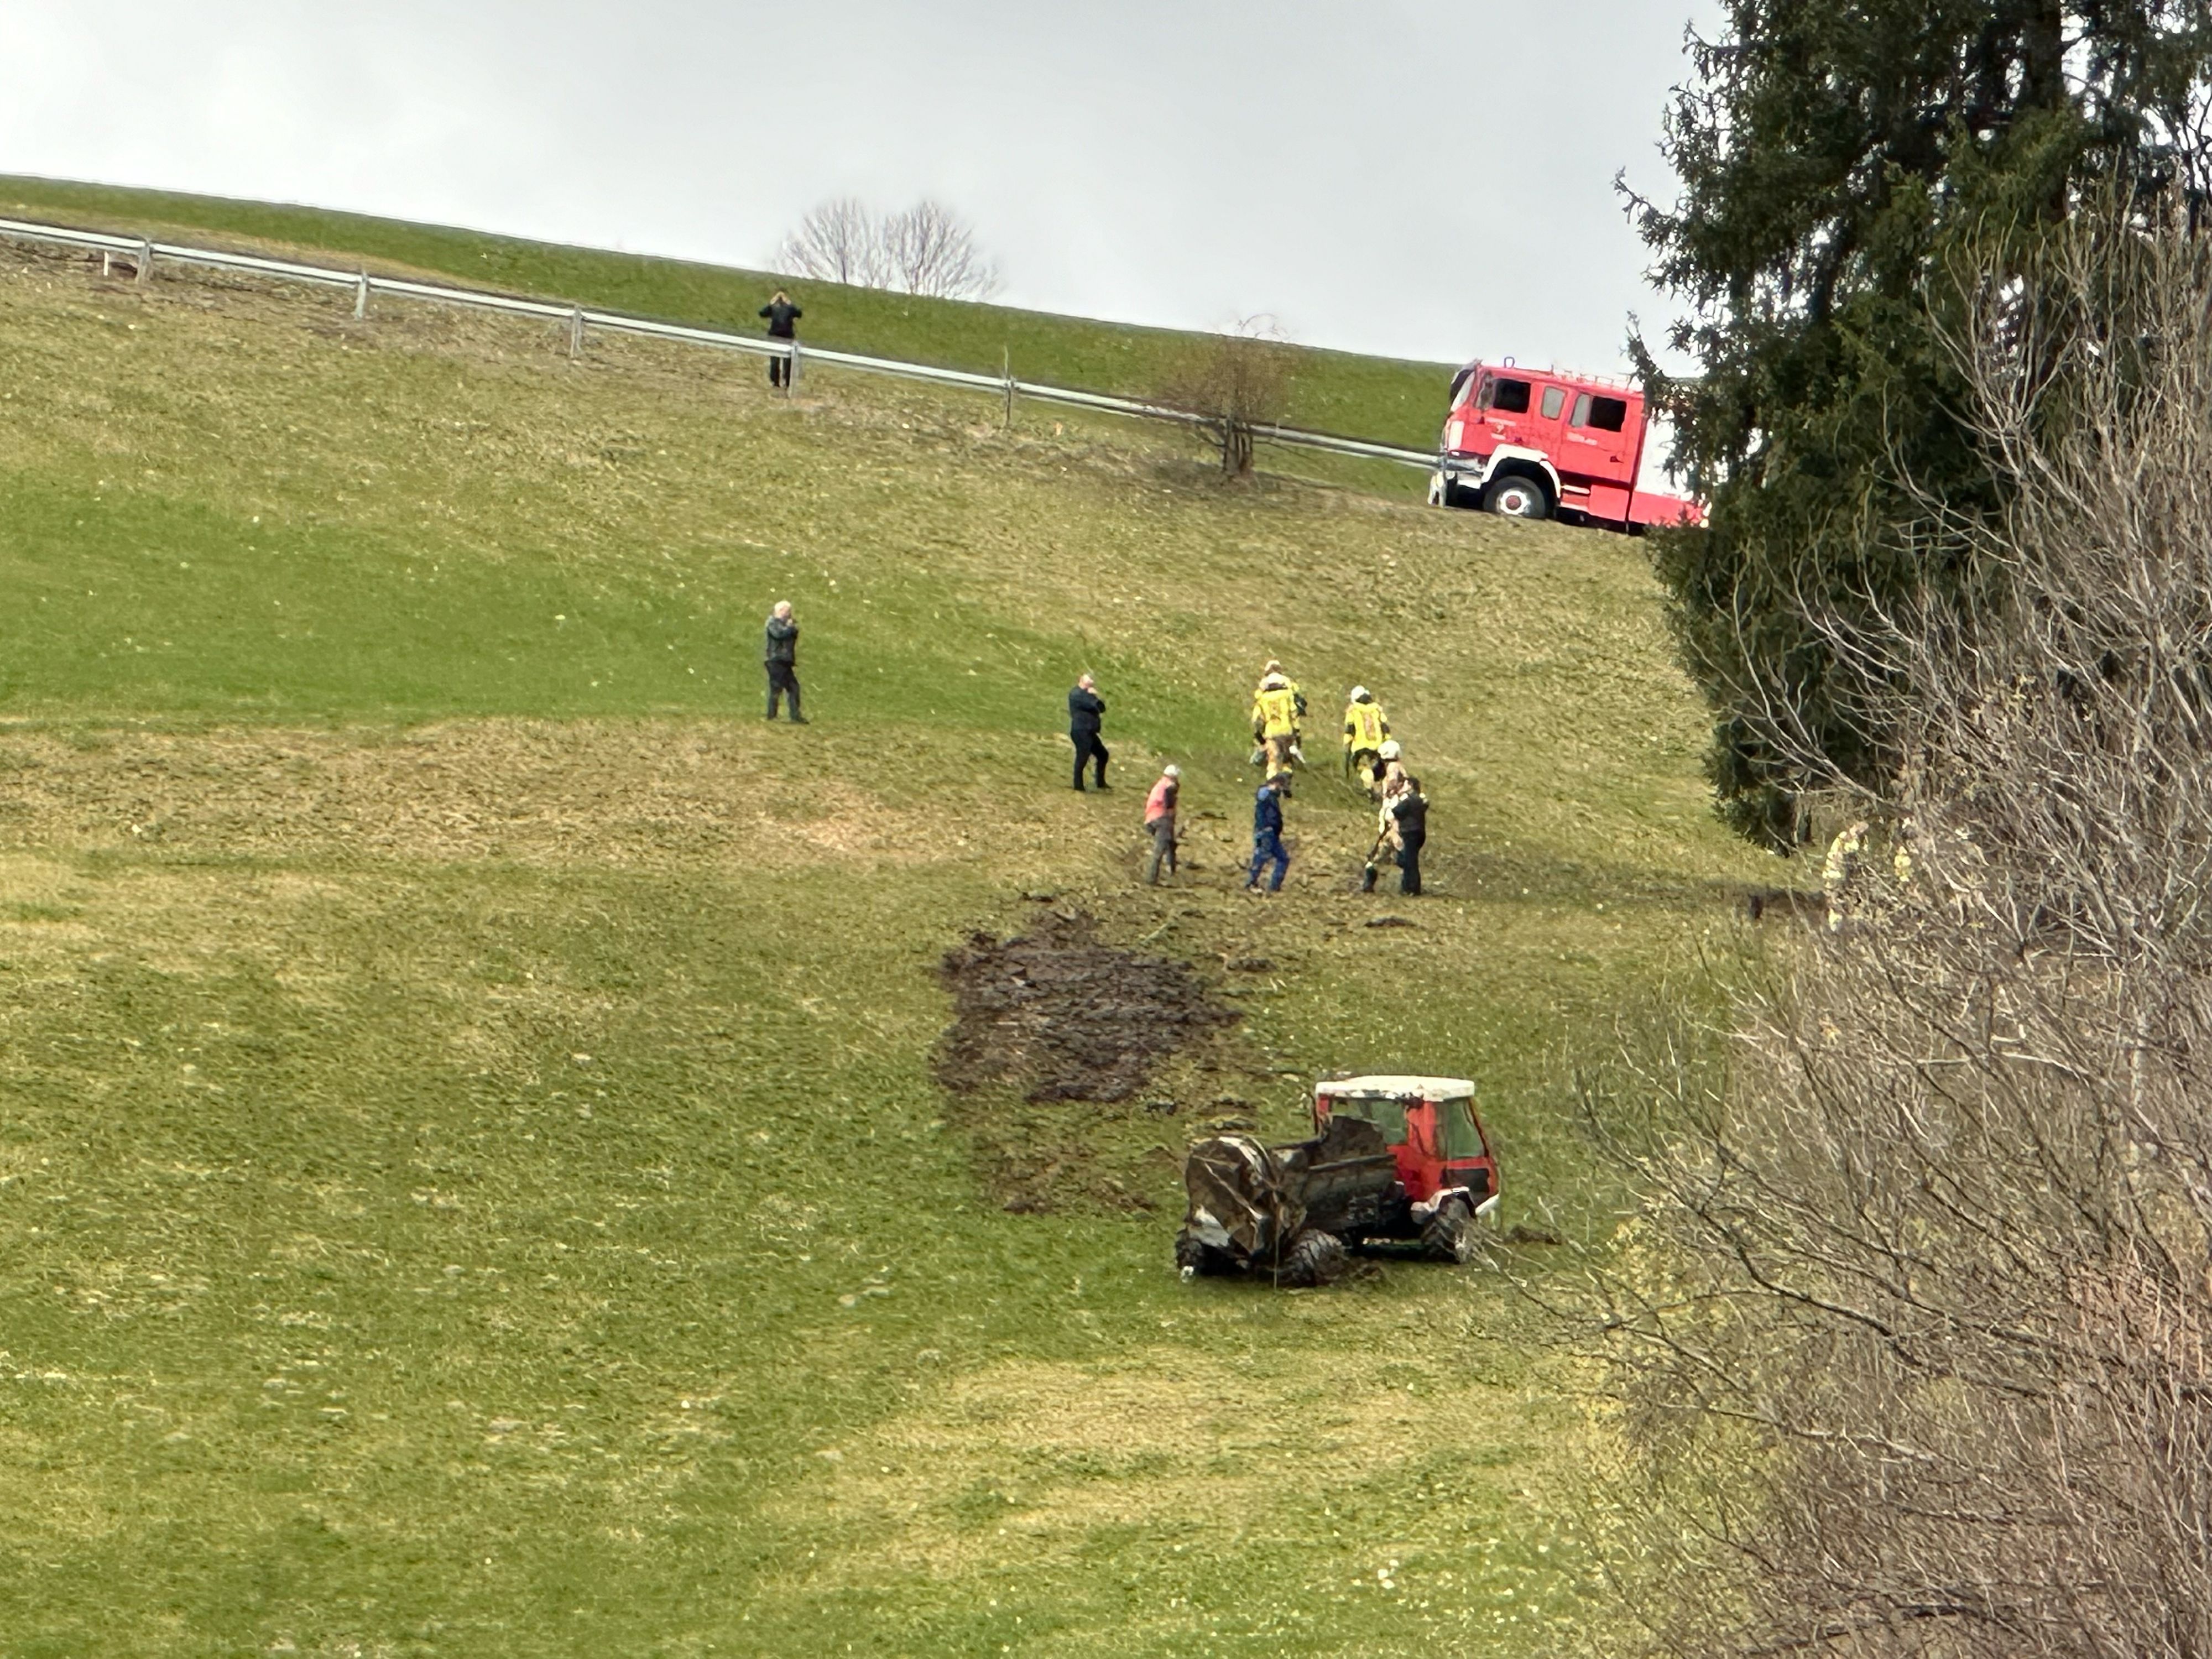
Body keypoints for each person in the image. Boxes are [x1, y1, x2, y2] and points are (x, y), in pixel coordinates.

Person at [1250, 662, 1303, 788]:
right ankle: (1286, 780)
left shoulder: (1263, 698)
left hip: (1272, 732)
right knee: (1286, 758)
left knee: (1273, 760)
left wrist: (1259, 735)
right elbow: (1294, 713)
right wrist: (1297, 731)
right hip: (1287, 731)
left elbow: (1257, 719)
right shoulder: (1287, 695)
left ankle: (1272, 786)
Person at [1246, 774, 1290, 893]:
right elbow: (1263, 796)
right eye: (1281, 787)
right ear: (1276, 784)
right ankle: (1251, 883)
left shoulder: (1271, 797)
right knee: (1260, 857)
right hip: (1265, 832)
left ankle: (1274, 887)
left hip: (1272, 835)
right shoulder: (1265, 794)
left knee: (1283, 858)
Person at [763, 601, 805, 722]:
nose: (790, 614)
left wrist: (791, 628)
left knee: (793, 688)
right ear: (781, 611)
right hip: (776, 660)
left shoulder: (786, 624)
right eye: (788, 611)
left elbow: (793, 636)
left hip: (784, 661)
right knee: (777, 688)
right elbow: (778, 634)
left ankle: (795, 716)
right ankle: (772, 715)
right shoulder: (772, 623)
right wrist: (790, 627)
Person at [1343, 686, 1390, 786]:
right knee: (1378, 771)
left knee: (1365, 770)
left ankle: (1370, 792)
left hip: (1360, 747)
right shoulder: (1377, 709)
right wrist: (1387, 742)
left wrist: (1347, 744)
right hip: (1378, 748)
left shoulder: (1353, 710)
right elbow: (1385, 728)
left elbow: (1350, 730)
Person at [1068, 673, 1108, 791]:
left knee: (1103, 755)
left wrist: (1094, 696)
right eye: (1089, 679)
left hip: (1090, 732)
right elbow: (1092, 705)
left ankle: (1100, 782)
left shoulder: (1088, 695)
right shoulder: (1076, 694)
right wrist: (1093, 696)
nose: (1091, 681)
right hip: (1081, 731)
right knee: (1083, 757)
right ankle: (1078, 785)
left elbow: (1101, 708)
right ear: (1081, 680)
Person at [1390, 774, 1428, 895]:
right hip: (1419, 832)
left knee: (1409, 862)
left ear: (1410, 786)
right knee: (1412, 860)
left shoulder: (1409, 800)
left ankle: (1411, 888)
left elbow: (1396, 811)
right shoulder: (1420, 801)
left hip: (1410, 833)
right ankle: (1412, 887)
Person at [1142, 764, 1181, 884]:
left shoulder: (1160, 784)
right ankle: (1152, 878)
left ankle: (1171, 869)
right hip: (1162, 818)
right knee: (1160, 848)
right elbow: (1169, 804)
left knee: (1168, 844)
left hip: (1151, 818)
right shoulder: (1170, 786)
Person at [759, 290, 802, 388]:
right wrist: (790, 303)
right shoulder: (790, 308)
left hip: (774, 335)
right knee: (788, 359)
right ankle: (787, 382)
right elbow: (799, 314)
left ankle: (775, 382)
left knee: (775, 358)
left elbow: (762, 313)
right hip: (788, 335)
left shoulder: (773, 307)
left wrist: (771, 303)